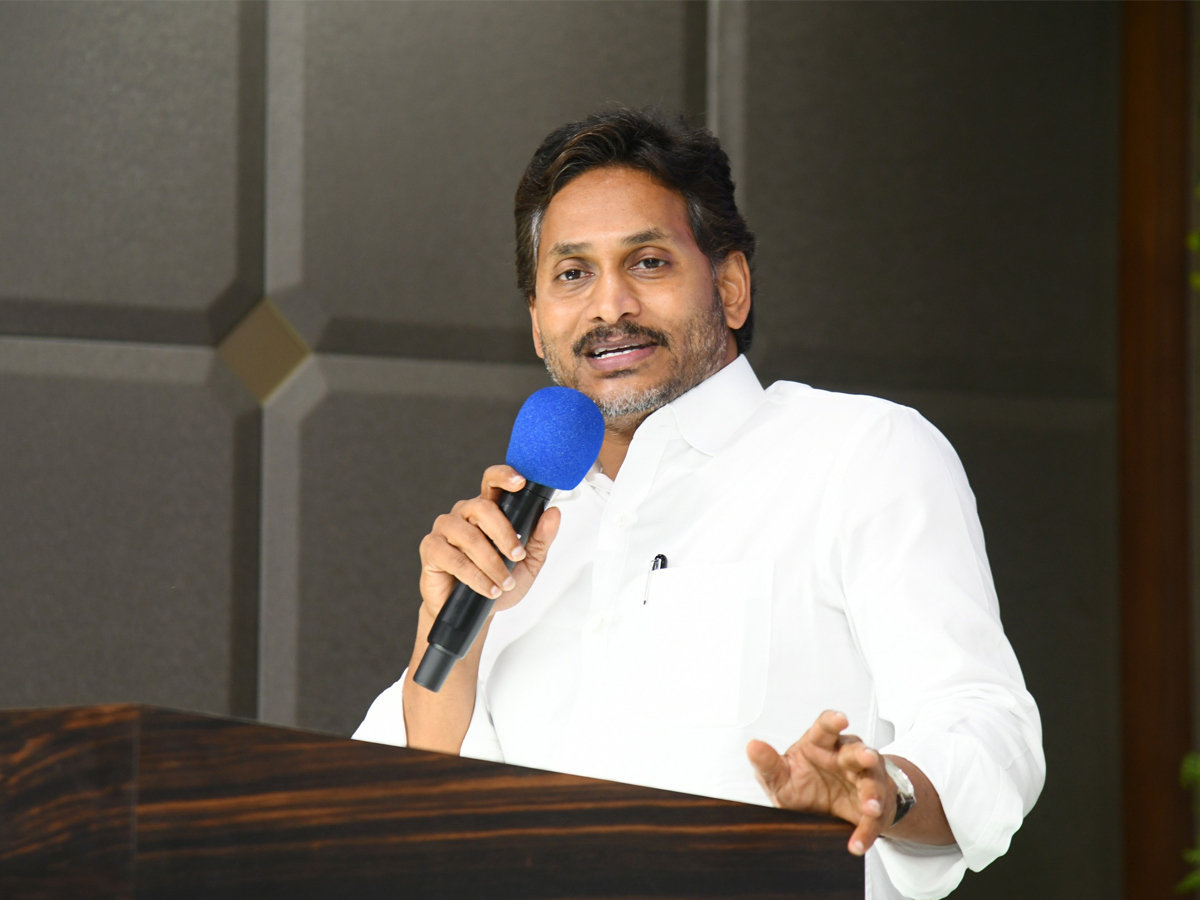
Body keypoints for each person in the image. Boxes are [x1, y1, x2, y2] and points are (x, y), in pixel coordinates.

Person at [354, 108, 1044, 900]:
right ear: (538, 323)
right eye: (571, 274)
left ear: (732, 286)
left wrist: (888, 791)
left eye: (647, 262)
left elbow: (989, 730)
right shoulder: (516, 534)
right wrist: (454, 643)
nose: (608, 306)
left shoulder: (861, 452)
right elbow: (398, 824)